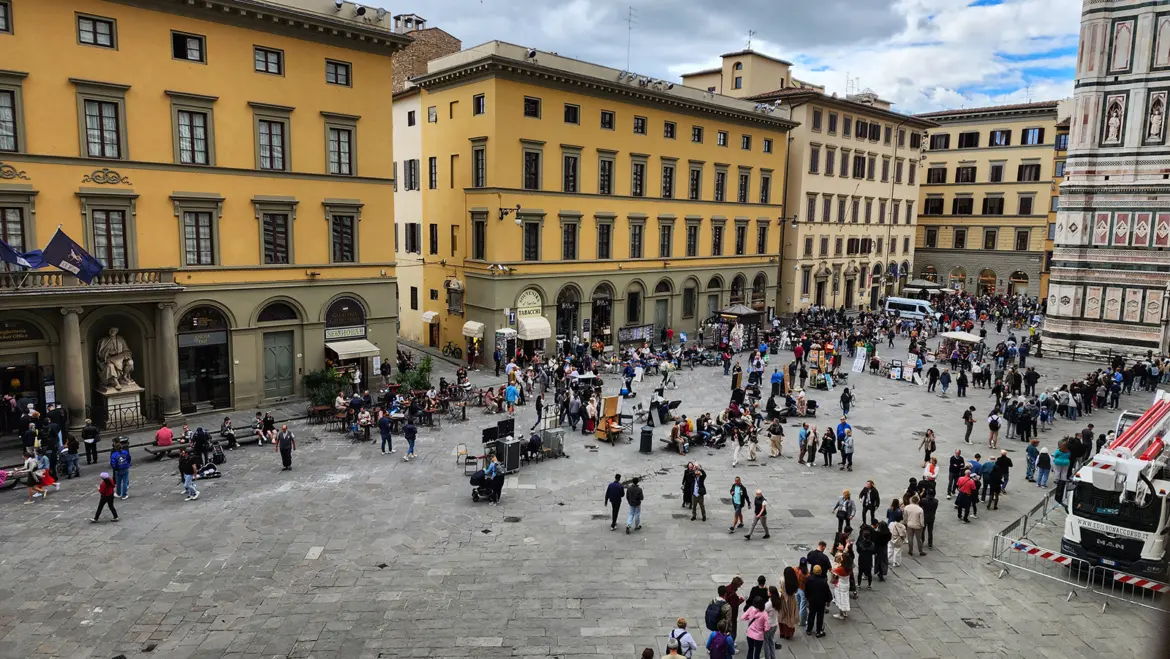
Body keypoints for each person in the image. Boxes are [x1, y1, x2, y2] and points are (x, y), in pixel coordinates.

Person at [803, 566, 831, 638]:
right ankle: (819, 631)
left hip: (812, 601)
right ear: (820, 571)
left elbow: (806, 590)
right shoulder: (823, 581)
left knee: (811, 615)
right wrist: (828, 600)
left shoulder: (809, 579)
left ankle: (809, 629)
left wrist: (808, 597)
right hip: (821, 602)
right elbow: (827, 592)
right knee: (820, 616)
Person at [777, 569, 800, 641]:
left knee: (783, 615)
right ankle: (788, 634)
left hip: (783, 599)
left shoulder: (782, 580)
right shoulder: (794, 580)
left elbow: (781, 587)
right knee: (790, 615)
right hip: (791, 600)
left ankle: (782, 633)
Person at [830, 554, 851, 620]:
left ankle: (841, 614)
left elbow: (833, 574)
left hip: (840, 585)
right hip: (846, 584)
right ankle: (845, 612)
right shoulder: (850, 567)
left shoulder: (839, 569)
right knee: (845, 597)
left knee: (840, 599)